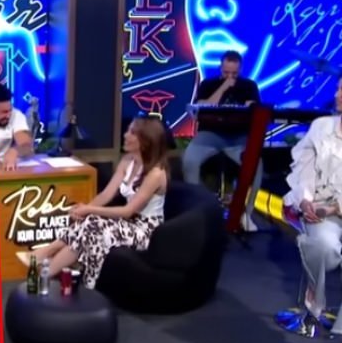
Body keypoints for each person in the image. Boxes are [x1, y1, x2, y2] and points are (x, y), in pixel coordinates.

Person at [17, 115, 168, 289]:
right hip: (127, 223)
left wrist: (88, 210)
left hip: (146, 230)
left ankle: (62, 269)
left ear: (146, 140)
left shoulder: (156, 173)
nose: (125, 135)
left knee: (92, 226)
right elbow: (106, 195)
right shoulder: (127, 161)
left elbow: (128, 211)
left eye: (132, 133)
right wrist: (84, 209)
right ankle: (48, 273)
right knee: (88, 223)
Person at [283, 77, 342, 337]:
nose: (338, 95)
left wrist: (334, 208)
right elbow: (303, 168)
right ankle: (313, 305)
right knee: (325, 247)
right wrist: (306, 199)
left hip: (334, 208)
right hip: (319, 208)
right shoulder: (321, 126)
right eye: (339, 89)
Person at [182, 50, 262, 228]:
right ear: (220, 68)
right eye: (226, 73)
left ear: (240, 69)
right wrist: (224, 87)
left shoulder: (249, 86)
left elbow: (257, 110)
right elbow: (202, 106)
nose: (230, 77)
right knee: (189, 160)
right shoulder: (208, 84)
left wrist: (251, 106)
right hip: (210, 135)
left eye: (234, 73)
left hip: (238, 138)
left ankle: (246, 214)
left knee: (257, 166)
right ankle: (195, 211)